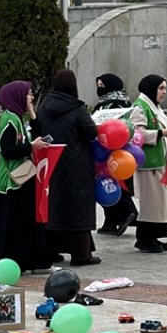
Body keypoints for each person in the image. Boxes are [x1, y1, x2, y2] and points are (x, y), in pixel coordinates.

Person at [0, 80, 53, 274]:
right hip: (12, 181)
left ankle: (32, 261)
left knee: (26, 221)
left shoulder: (18, 117)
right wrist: (31, 147)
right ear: (17, 95)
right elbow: (8, 150)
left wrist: (32, 112)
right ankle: (9, 261)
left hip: (23, 177)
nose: (31, 97)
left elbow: (38, 135)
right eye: (29, 94)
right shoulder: (9, 119)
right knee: (12, 223)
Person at [38, 69, 101, 266]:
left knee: (54, 207)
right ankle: (81, 255)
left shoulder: (43, 107)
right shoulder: (77, 109)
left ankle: (50, 251)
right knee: (77, 208)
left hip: (51, 163)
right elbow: (91, 133)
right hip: (77, 165)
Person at [130, 74, 167, 254]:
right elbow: (136, 133)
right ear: (151, 88)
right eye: (161, 88)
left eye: (165, 88)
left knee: (161, 202)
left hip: (161, 159)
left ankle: (155, 235)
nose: (164, 92)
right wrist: (160, 133)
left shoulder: (154, 106)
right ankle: (144, 238)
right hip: (150, 162)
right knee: (152, 202)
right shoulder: (140, 107)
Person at [92, 73, 138, 236]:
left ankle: (128, 212)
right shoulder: (121, 102)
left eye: (102, 85)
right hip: (115, 150)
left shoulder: (114, 105)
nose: (99, 88)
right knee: (109, 184)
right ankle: (110, 222)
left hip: (112, 150)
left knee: (111, 183)